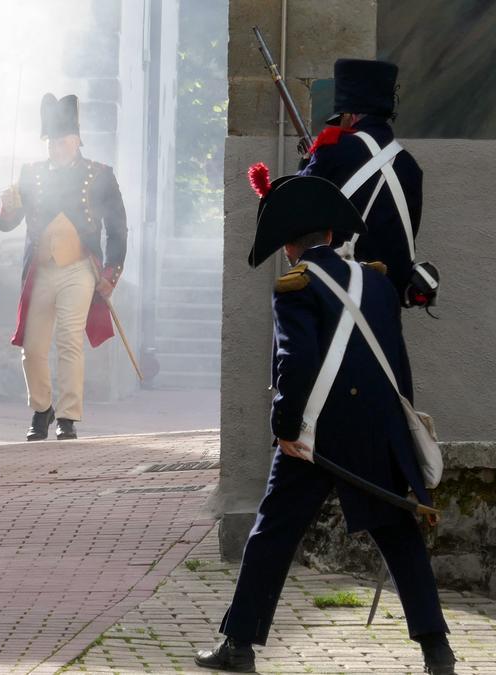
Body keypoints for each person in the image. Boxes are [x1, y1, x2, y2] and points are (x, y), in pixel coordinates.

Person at [195, 176, 455, 674]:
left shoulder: (295, 286)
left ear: (288, 245)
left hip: (315, 435)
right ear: (332, 235)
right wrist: (397, 433)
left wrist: (286, 427)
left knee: (272, 535)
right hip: (376, 430)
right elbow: (397, 367)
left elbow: (296, 365)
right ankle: (437, 652)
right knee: (400, 538)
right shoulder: (377, 283)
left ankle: (239, 646)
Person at [0, 93, 128, 441]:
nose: (55, 147)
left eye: (61, 140)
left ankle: (67, 416)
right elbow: (8, 223)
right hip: (41, 269)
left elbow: (118, 228)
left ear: (76, 140)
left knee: (69, 339)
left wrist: (111, 273)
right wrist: (7, 208)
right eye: (51, 141)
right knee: (33, 347)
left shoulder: (100, 175)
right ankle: (42, 409)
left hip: (79, 268)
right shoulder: (31, 174)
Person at [299, 58, 428, 304]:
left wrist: (306, 162)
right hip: (386, 303)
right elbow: (405, 234)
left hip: (336, 296)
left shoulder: (333, 149)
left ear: (350, 115)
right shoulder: (410, 166)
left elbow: (298, 207)